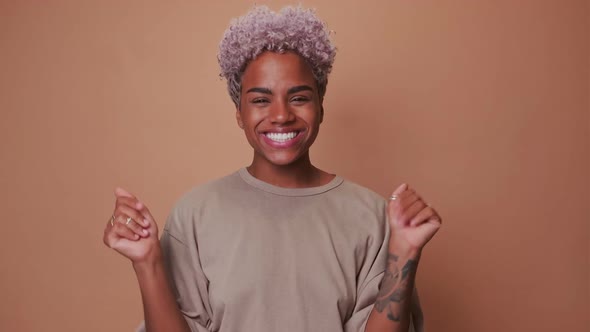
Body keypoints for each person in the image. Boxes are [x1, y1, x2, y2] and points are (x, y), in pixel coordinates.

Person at [103, 6, 441, 332]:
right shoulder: (195, 215)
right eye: (261, 100)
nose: (281, 115)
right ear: (239, 113)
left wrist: (405, 252)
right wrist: (147, 262)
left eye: (298, 98)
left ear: (321, 107)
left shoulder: (371, 216)